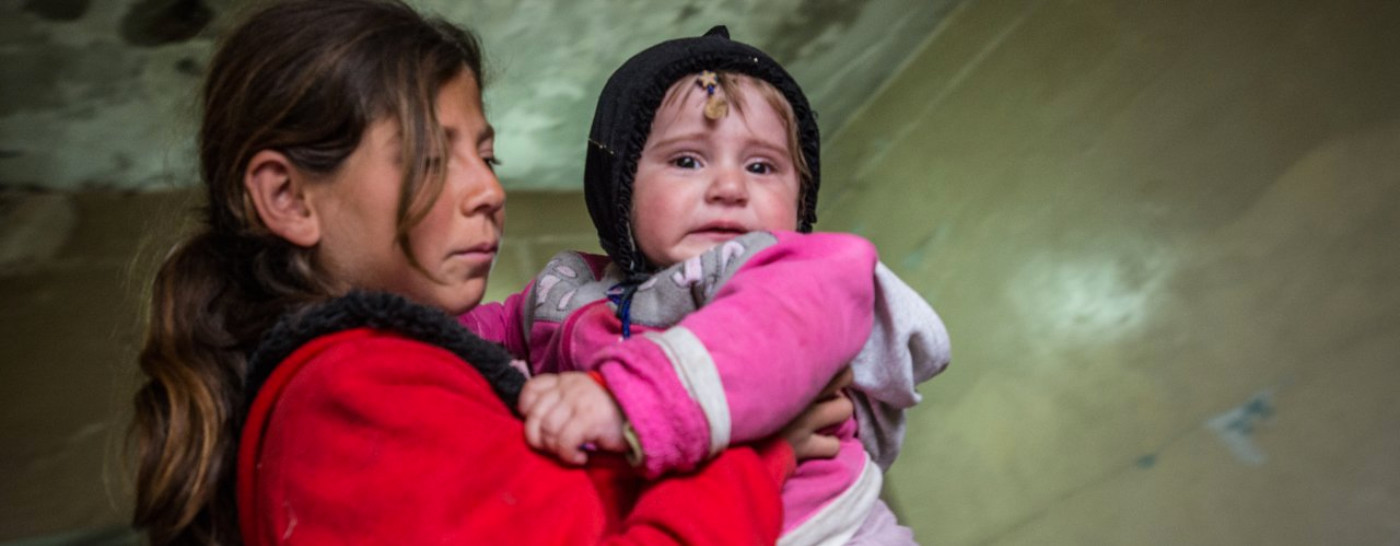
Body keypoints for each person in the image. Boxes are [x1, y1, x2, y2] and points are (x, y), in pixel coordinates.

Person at [128, 2, 854, 545]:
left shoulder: (420, 370)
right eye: (436, 158)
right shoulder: (352, 394)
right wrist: (761, 452)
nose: (489, 192)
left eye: (489, 156)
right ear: (289, 198)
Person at [461, 27, 951, 545]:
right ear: (620, 189)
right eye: (687, 160)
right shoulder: (566, 293)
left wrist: (629, 401)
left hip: (831, 530)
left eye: (761, 166)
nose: (729, 188)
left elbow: (783, 317)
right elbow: (448, 337)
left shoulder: (791, 273)